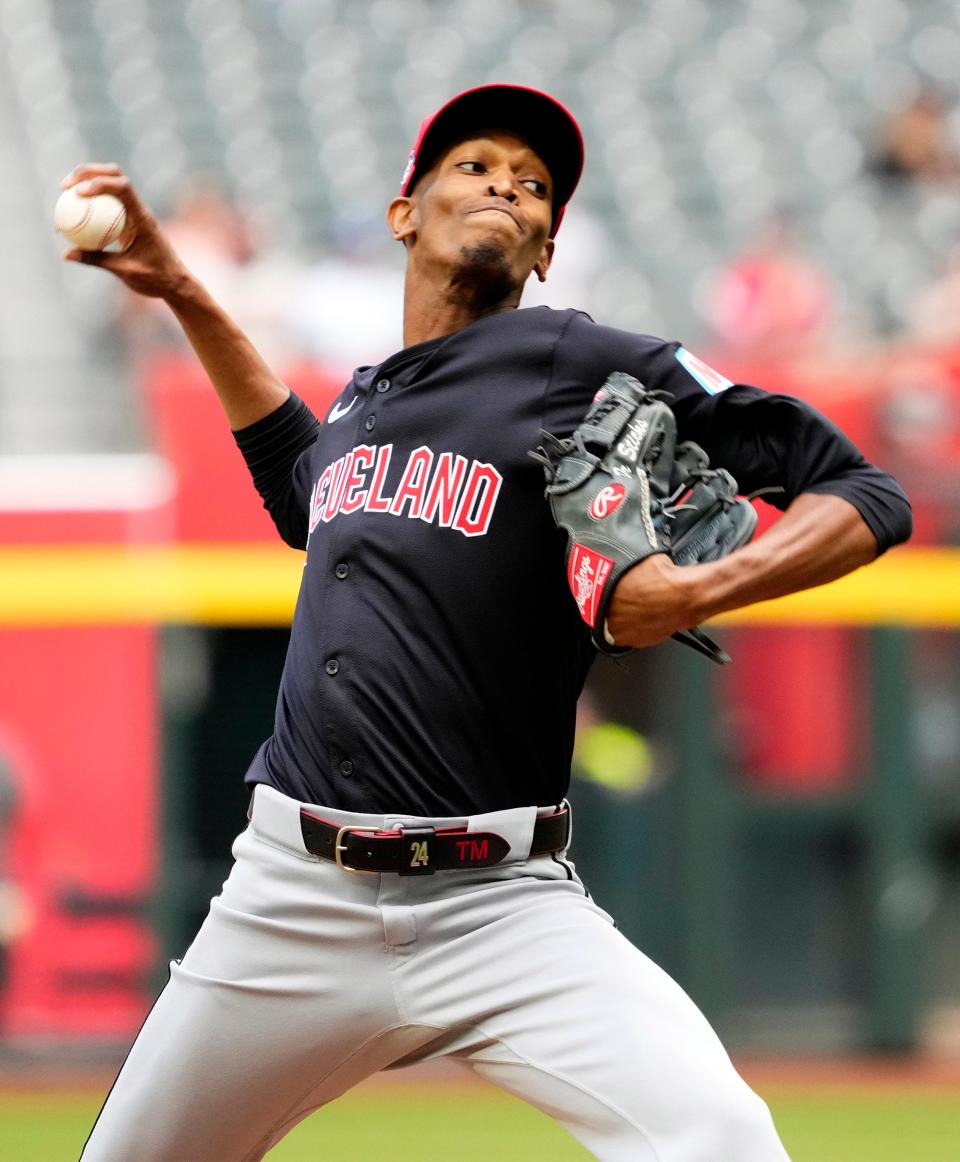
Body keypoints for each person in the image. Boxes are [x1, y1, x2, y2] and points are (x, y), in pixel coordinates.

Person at [70, 84, 911, 1161]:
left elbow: (864, 489)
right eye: (476, 165)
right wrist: (181, 286)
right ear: (403, 214)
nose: (508, 186)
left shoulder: (579, 360)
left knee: (720, 1137)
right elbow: (299, 478)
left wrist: (696, 591)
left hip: (501, 906)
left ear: (549, 248)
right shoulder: (363, 401)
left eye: (535, 185)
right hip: (291, 898)